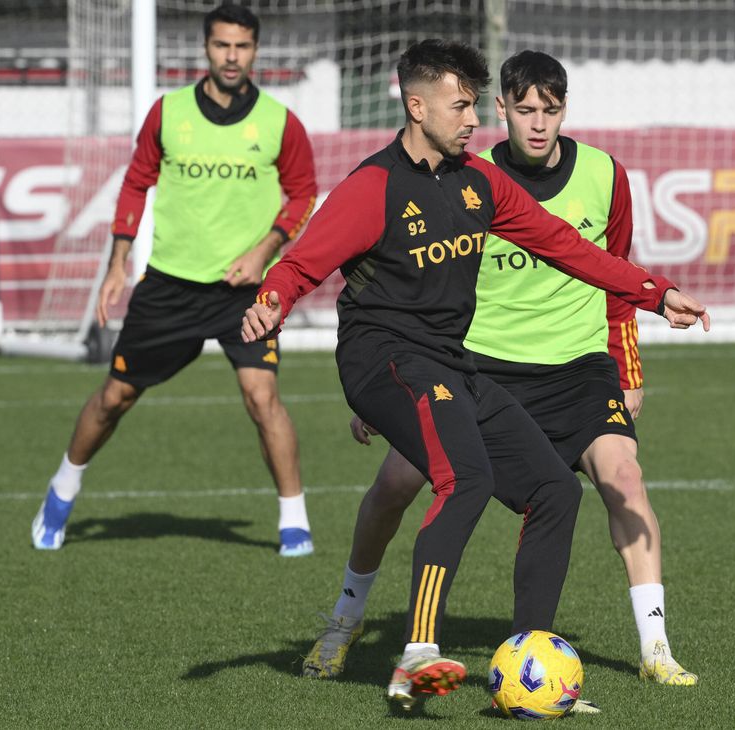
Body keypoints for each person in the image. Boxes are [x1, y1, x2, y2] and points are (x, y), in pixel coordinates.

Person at [241, 39, 709, 711]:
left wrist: (655, 294)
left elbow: (566, 246)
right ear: (416, 106)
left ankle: (530, 662)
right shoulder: (374, 186)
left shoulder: (478, 182)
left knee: (555, 490)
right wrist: (271, 301)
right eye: (460, 106)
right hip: (384, 358)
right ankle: (414, 654)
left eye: (473, 105)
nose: (473, 120)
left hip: (453, 363)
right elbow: (300, 263)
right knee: (461, 479)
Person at [31, 4, 318, 557]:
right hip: (169, 287)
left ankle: (294, 521)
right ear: (205, 48)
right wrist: (118, 262)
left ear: (255, 51)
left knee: (262, 397)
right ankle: (62, 491)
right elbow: (136, 182)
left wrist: (264, 250)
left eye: (242, 46)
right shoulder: (168, 112)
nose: (231, 57)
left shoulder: (281, 123)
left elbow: (303, 193)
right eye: (221, 45)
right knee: (115, 397)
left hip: (243, 292)